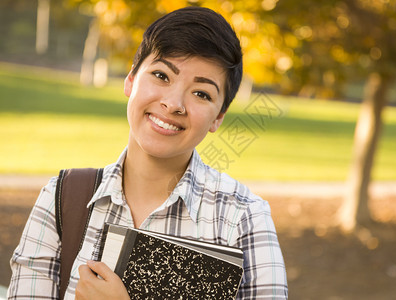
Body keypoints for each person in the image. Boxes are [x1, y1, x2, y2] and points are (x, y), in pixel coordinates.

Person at [7, 6, 288, 299]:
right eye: (161, 75)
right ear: (131, 79)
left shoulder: (243, 217)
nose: (173, 103)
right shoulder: (62, 199)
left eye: (201, 93)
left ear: (218, 117)